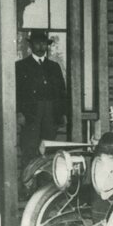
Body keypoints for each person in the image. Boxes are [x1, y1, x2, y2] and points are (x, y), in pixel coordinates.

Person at [15, 30, 69, 167]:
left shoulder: (54, 67)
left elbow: (62, 92)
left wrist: (63, 113)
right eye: (37, 43)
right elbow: (17, 92)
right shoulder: (21, 66)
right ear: (31, 46)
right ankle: (29, 184)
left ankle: (45, 183)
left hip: (50, 113)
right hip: (31, 113)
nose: (41, 46)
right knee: (30, 148)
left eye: (44, 43)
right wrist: (19, 113)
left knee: (48, 147)